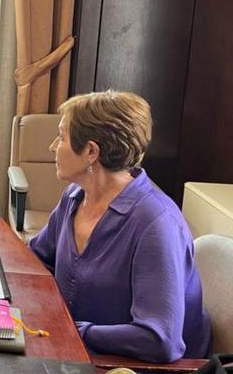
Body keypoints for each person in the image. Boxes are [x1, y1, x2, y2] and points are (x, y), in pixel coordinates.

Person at [29, 90, 211, 362]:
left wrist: (74, 331)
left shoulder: (156, 225)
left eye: (62, 137)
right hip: (77, 353)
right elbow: (35, 258)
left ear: (91, 151)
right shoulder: (73, 197)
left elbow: (160, 339)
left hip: (137, 367)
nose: (53, 147)